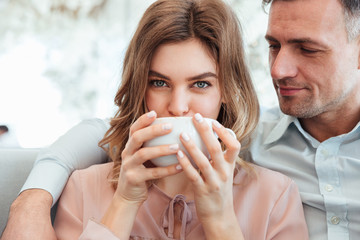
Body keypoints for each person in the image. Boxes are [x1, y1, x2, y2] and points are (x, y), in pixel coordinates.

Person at [3, 0, 359, 238]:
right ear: (140, 86)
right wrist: (120, 202)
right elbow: (101, 130)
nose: (178, 107)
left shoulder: (275, 194)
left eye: (200, 83)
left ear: (227, 92)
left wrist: (220, 218)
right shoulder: (83, 188)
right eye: (159, 82)